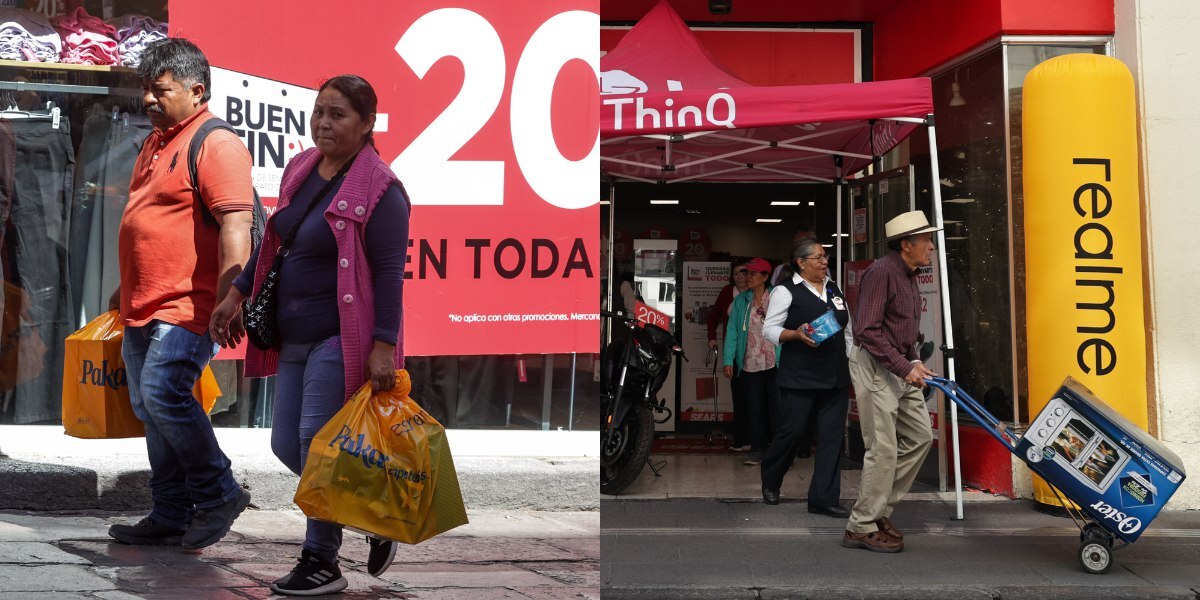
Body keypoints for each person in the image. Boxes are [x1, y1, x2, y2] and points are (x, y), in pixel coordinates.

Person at [209, 74, 411, 595]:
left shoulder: (382, 189)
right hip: (291, 336)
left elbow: (390, 272)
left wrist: (384, 345)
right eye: (320, 111)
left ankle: (321, 560)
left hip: (339, 339)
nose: (324, 122)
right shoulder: (303, 166)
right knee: (284, 446)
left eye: (339, 114)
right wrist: (236, 293)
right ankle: (372, 510)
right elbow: (274, 239)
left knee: (317, 446)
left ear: (367, 124)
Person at [106, 38, 254, 550]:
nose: (147, 100)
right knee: (151, 404)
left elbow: (237, 224)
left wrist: (231, 296)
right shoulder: (155, 141)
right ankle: (170, 511)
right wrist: (123, 287)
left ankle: (218, 493)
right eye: (144, 89)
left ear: (197, 90)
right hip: (144, 303)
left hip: (189, 304)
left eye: (159, 90)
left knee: (167, 395)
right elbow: (146, 221)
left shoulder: (216, 143)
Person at [843, 210, 940, 554]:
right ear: (906, 244)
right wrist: (904, 366)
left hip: (897, 364)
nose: (931, 245)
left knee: (920, 437)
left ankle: (879, 508)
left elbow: (901, 328)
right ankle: (861, 525)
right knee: (882, 448)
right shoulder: (882, 272)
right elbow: (866, 330)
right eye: (926, 240)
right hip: (874, 366)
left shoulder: (910, 273)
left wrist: (913, 360)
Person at [760, 237, 852, 519]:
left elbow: (848, 329)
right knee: (793, 432)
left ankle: (823, 499)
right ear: (801, 263)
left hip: (835, 376)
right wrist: (796, 334)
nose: (825, 262)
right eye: (819, 257)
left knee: (832, 437)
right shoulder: (785, 292)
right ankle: (772, 479)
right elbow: (769, 330)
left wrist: (852, 362)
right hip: (800, 376)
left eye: (826, 257)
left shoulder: (834, 289)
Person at [722, 258, 780, 466]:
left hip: (775, 361)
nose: (748, 277)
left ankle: (779, 451)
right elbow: (733, 332)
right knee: (754, 407)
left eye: (753, 274)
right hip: (750, 362)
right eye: (747, 273)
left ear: (765, 277)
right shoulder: (740, 301)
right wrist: (728, 359)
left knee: (777, 406)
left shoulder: (777, 297)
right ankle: (757, 449)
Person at [707, 258, 749, 449]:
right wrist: (712, 337)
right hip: (734, 350)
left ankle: (760, 439)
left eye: (744, 272)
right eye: (737, 273)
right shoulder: (727, 292)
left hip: (757, 351)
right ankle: (741, 439)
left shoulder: (757, 291)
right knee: (739, 395)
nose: (741, 276)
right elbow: (713, 315)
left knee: (757, 396)